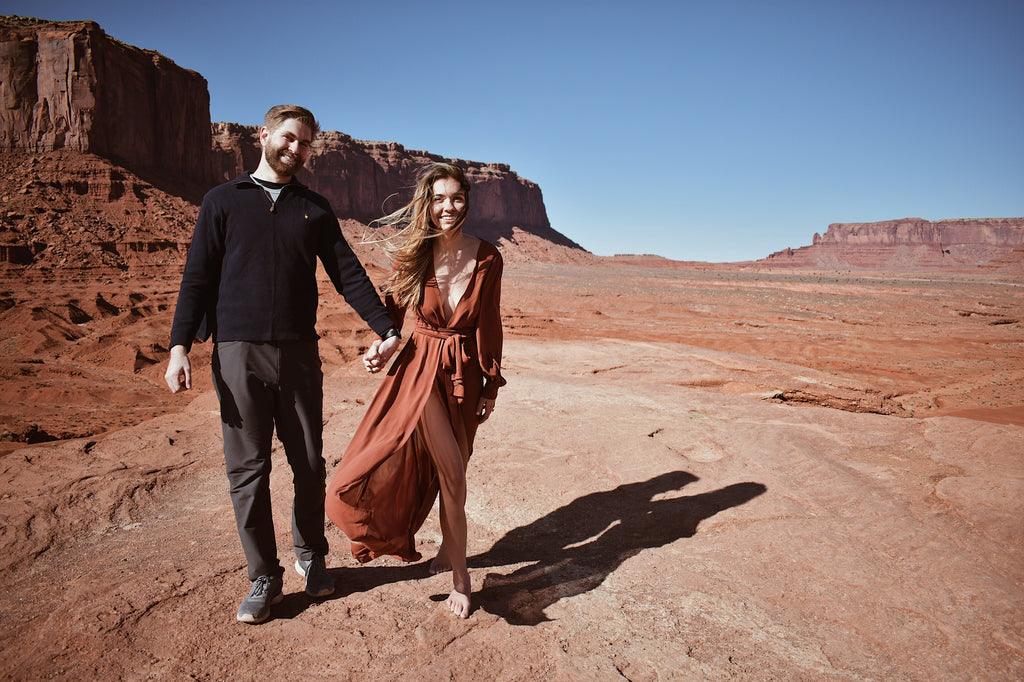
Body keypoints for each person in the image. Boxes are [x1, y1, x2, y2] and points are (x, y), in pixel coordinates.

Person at [164, 104, 402, 625]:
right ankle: (263, 575)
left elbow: (349, 274)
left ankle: (310, 554)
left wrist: (387, 329)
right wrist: (180, 345)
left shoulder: (313, 208)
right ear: (266, 135)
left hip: (298, 354)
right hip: (237, 354)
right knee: (247, 471)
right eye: (290, 138)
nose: (297, 149)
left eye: (306, 144)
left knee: (310, 463)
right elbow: (197, 277)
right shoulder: (222, 201)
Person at [326, 162, 505, 618]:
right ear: (427, 203)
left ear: (467, 200)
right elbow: (393, 315)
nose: (449, 207)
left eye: (457, 198)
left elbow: (489, 322)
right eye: (440, 198)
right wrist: (381, 347)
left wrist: (491, 381)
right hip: (420, 370)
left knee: (455, 468)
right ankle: (462, 582)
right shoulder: (414, 256)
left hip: (463, 372)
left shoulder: (488, 256)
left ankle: (449, 548)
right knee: (453, 472)